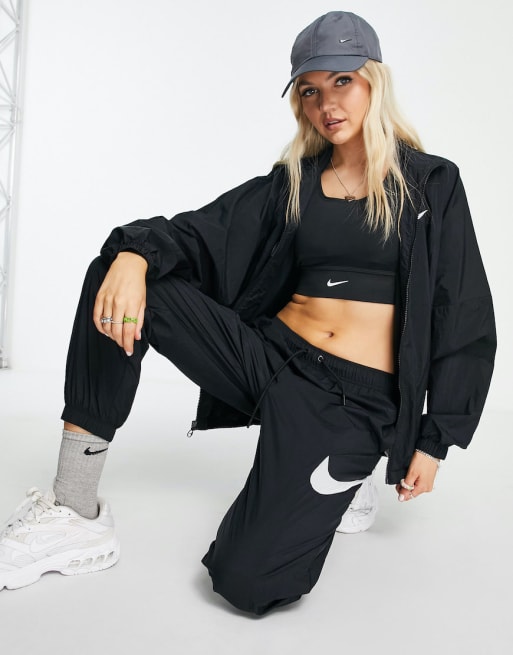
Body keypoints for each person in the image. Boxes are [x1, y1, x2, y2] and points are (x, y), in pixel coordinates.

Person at [0, 11, 495, 615]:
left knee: (249, 585)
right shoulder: (294, 183)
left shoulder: (430, 184)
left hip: (351, 401)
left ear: (374, 81)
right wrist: (132, 254)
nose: (326, 104)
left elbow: (463, 312)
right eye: (309, 91)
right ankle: (74, 509)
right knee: (118, 275)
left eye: (342, 82)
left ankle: (352, 470)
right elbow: (200, 232)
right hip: (268, 358)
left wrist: (434, 440)